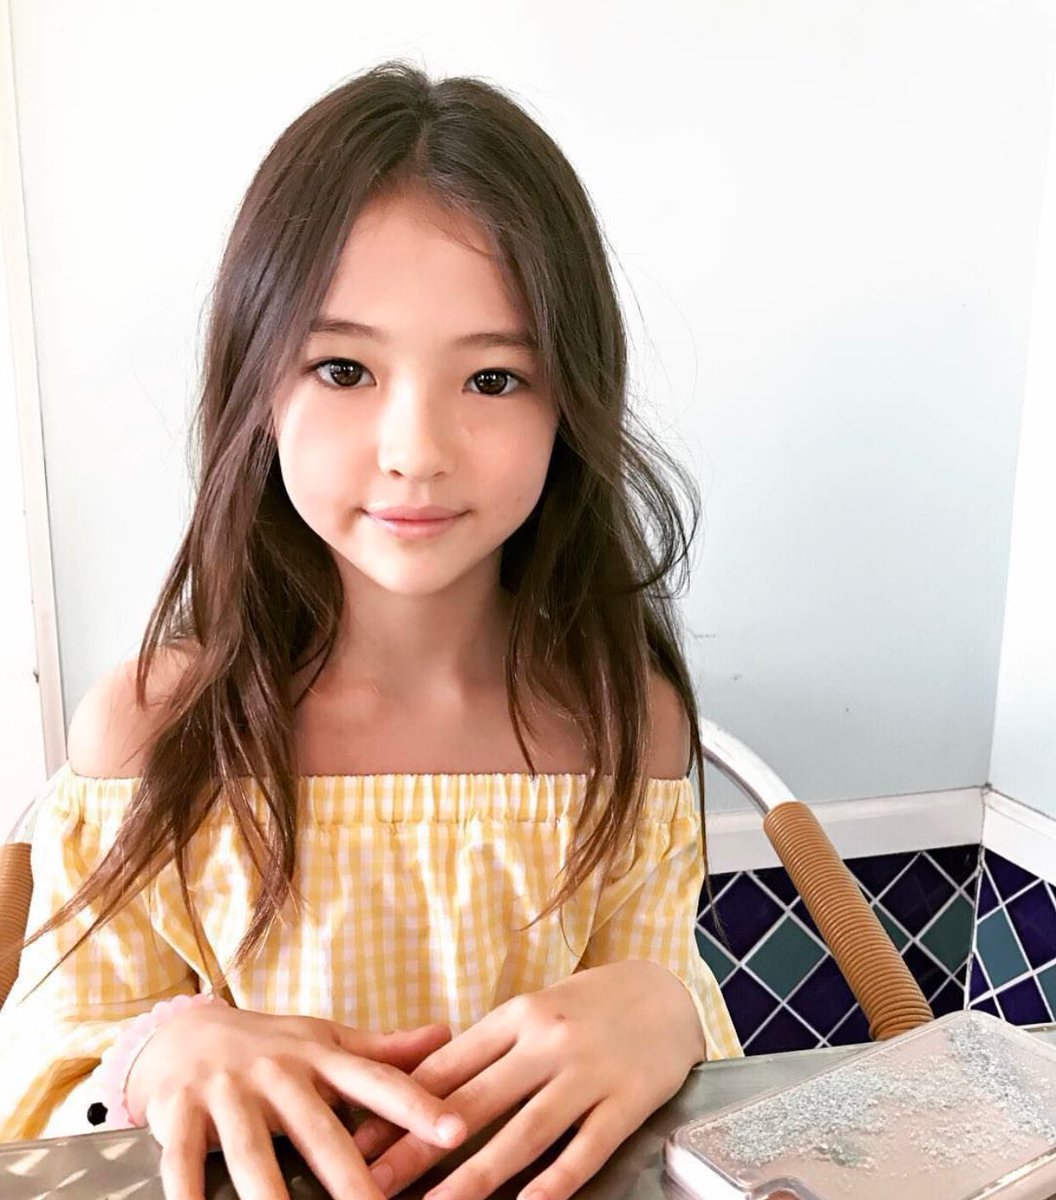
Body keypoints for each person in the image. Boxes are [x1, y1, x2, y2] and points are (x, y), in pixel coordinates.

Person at [0, 58, 741, 1200]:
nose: (416, 450)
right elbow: (46, 1094)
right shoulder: (156, 727)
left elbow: (672, 1097)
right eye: (344, 368)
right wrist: (161, 1053)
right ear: (257, 387)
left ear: (572, 403)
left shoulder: (623, 720)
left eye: (493, 379)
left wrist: (671, 1011)